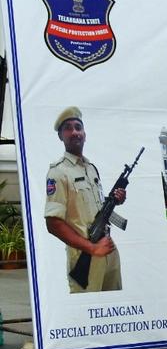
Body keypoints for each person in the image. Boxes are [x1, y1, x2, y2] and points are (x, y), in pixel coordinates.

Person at [44, 107, 125, 293]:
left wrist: (114, 200)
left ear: (84, 134)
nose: (74, 132)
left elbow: (90, 206)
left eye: (78, 127)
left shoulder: (91, 169)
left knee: (114, 312)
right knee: (87, 314)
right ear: (60, 136)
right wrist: (91, 248)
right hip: (84, 254)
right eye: (68, 128)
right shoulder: (58, 172)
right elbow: (53, 222)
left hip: (109, 249)